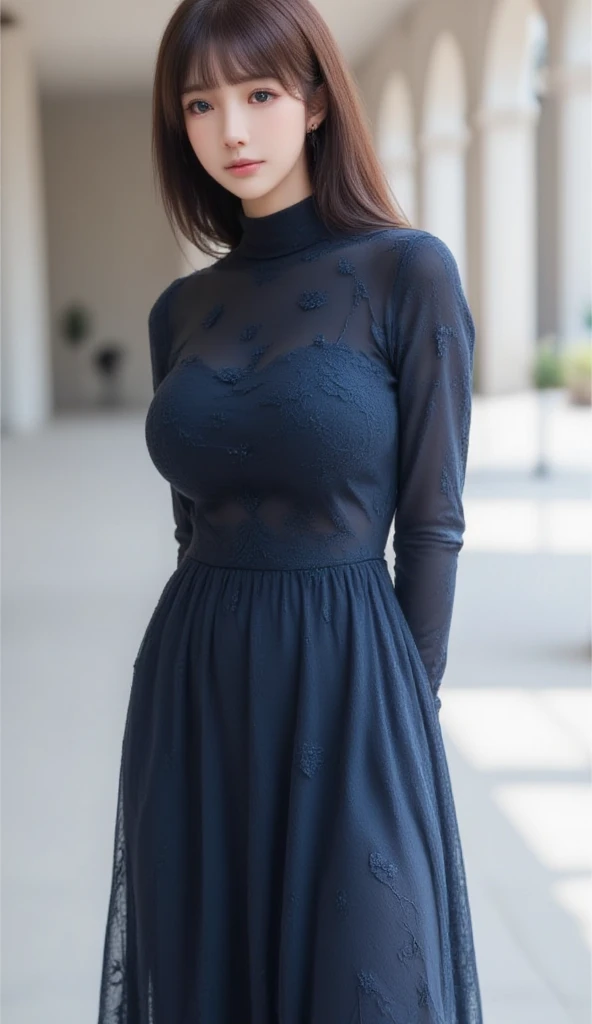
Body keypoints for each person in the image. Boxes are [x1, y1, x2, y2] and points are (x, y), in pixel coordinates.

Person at [97, 0, 483, 1020]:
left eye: (260, 94)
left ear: (315, 101)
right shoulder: (179, 313)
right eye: (200, 102)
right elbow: (190, 524)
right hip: (195, 691)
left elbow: (433, 521)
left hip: (354, 680)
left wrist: (406, 708)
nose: (231, 129)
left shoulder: (408, 273)